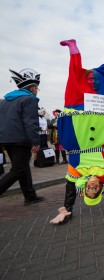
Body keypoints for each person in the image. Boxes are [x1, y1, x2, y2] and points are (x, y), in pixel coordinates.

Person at [50, 39, 104, 225]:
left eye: (88, 190)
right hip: (101, 121)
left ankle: (73, 49)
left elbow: (69, 189)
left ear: (84, 189)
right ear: (100, 188)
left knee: (74, 80)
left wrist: (67, 209)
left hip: (79, 123)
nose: (92, 187)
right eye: (95, 190)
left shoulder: (76, 172)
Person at [0, 68, 45, 205]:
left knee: (23, 167)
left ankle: (30, 195)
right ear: (32, 88)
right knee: (18, 170)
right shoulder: (30, 99)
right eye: (37, 88)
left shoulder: (6, 101)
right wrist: (35, 141)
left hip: (6, 139)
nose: (37, 91)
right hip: (20, 139)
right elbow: (30, 122)